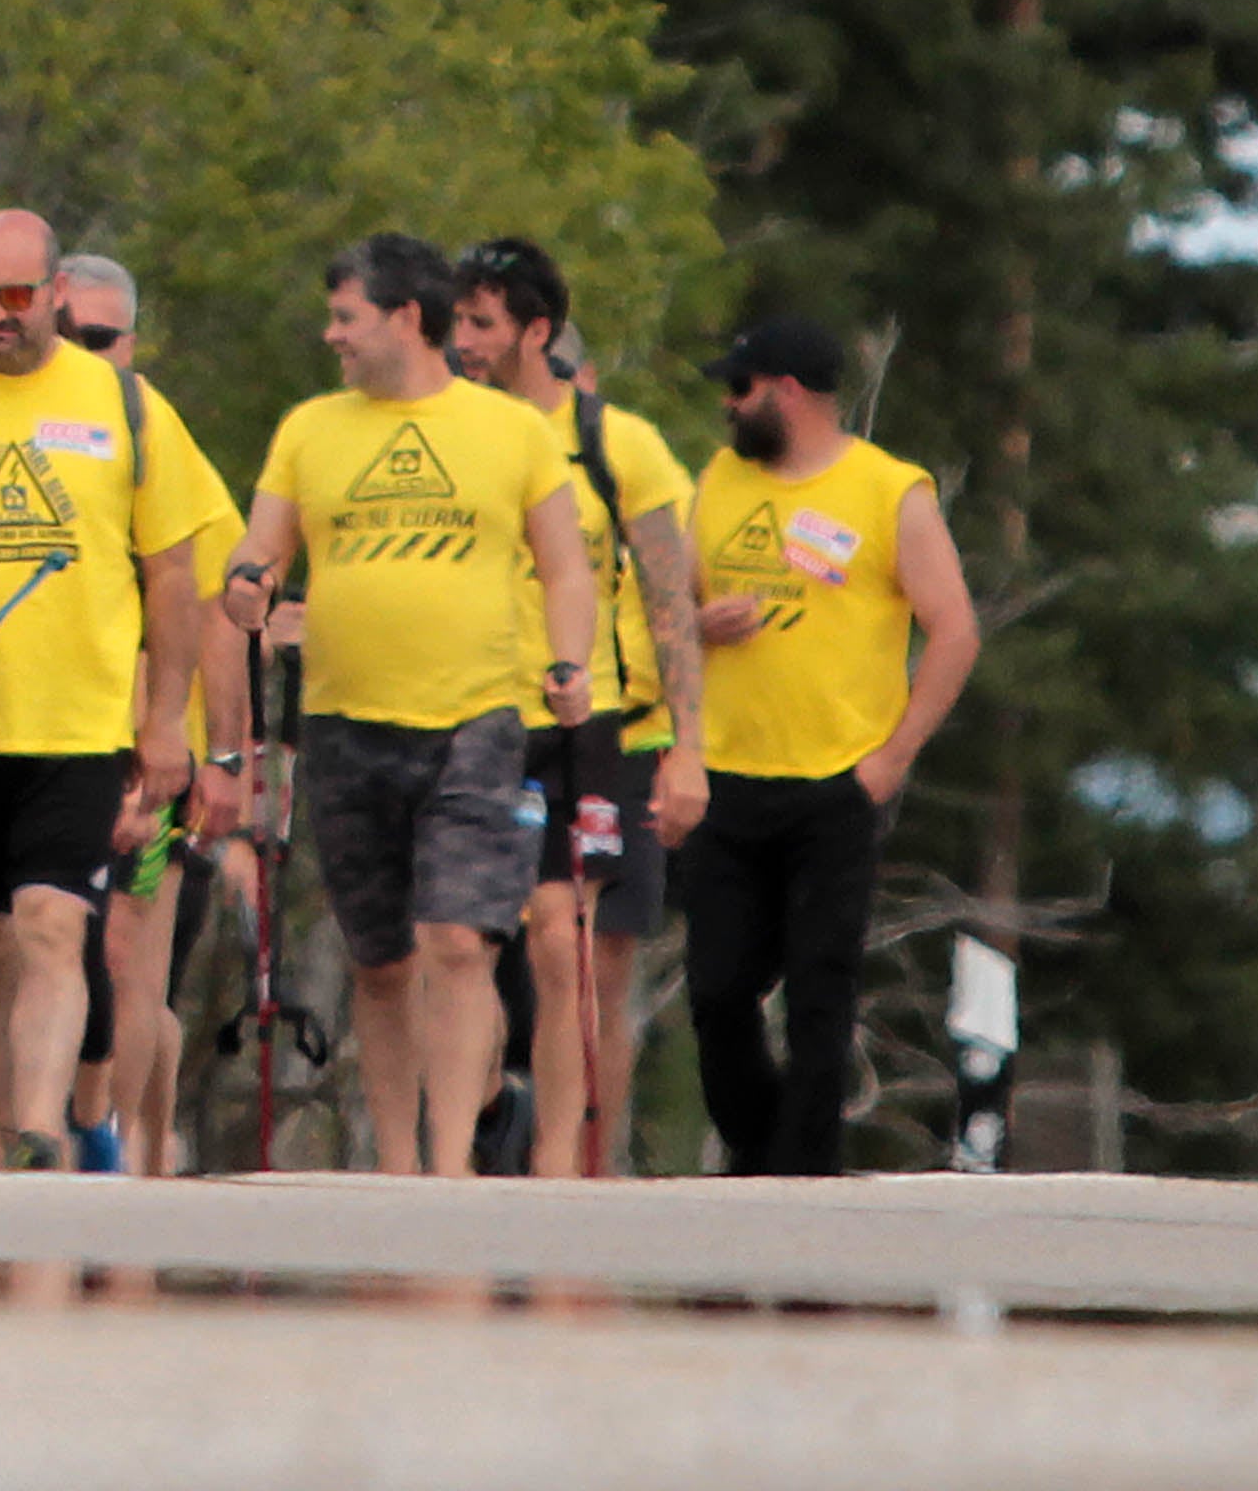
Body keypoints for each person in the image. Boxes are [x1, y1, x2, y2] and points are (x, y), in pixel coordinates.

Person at [222, 233, 596, 1178]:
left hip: (476, 715)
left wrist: (571, 659)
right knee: (380, 960)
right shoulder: (310, 428)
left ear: (403, 317)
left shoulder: (509, 430)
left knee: (457, 942)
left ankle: (452, 1161)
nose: (330, 334)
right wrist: (249, 583)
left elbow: (564, 566)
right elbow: (261, 547)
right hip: (346, 721)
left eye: (345, 316)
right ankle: (396, 1166)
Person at [0, 210, 224, 1170]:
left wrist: (167, 723)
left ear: (53, 295)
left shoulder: (122, 404)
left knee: (53, 923)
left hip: (77, 725)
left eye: (13, 297)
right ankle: (5, 1146)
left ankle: (42, 1129)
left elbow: (174, 575)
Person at [682, 313, 978, 1174]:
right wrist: (699, 624)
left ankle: (807, 1173)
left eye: (738, 391)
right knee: (718, 990)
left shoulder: (889, 491)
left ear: (787, 393)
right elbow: (671, 609)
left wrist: (891, 759)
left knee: (821, 988)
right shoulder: (721, 482)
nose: (728, 410)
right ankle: (755, 1147)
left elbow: (954, 631)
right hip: (729, 772)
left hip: (837, 781)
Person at [450, 235, 709, 1175]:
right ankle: (481, 1128)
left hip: (596, 730)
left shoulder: (615, 443)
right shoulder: (449, 432)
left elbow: (672, 597)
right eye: (457, 321)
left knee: (576, 951)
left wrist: (689, 749)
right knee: (464, 946)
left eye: (481, 323)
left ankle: (569, 1164)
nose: (464, 341)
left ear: (537, 331)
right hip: (472, 721)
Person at [50, 251, 249, 1175]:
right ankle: (90, 1139)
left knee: (133, 955)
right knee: (50, 953)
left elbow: (217, 614)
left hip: (152, 750)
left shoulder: (153, 432)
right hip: (47, 736)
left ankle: (120, 1162)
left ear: (132, 343)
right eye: (67, 337)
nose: (83, 355)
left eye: (100, 340)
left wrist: (226, 762)